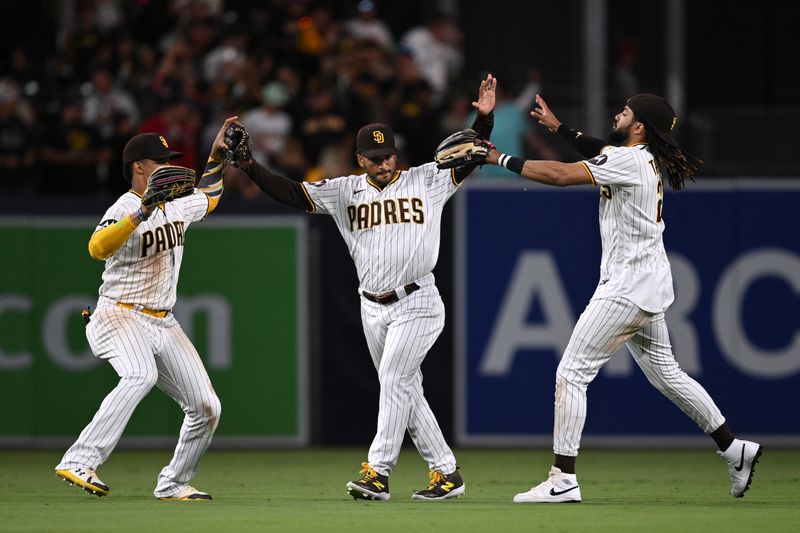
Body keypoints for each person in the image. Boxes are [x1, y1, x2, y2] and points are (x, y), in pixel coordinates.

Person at [484, 93, 762, 503]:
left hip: (626, 288)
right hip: (647, 285)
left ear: (639, 128)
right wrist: (560, 128)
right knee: (667, 375)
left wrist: (499, 160)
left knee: (571, 373)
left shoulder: (629, 161)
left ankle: (563, 477)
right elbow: (601, 151)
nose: (618, 113)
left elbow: (562, 176)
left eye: (626, 112)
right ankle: (734, 448)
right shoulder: (638, 158)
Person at [235, 75, 497, 501]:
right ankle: (447, 472)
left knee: (394, 377)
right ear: (359, 158)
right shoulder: (343, 191)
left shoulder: (426, 180)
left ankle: (378, 472)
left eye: (389, 156)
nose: (384, 164)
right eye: (375, 158)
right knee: (406, 389)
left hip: (419, 301)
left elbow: (468, 156)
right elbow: (290, 192)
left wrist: (482, 120)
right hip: (371, 307)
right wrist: (249, 167)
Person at [54, 117, 239, 500]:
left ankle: (173, 482)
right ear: (139, 167)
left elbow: (210, 196)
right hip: (118, 313)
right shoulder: (124, 205)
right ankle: (79, 460)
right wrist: (140, 213)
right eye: (160, 161)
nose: (169, 167)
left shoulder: (176, 205)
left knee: (207, 407)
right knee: (139, 374)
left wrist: (217, 155)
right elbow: (96, 248)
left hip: (163, 321)